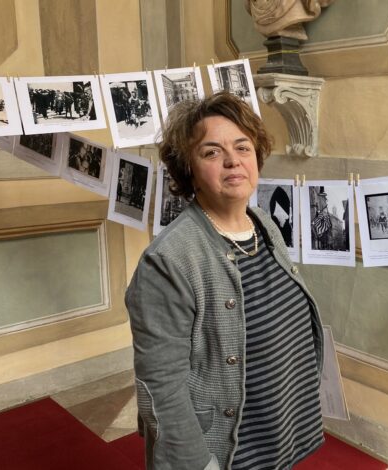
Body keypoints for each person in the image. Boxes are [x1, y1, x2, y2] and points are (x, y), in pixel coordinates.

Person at [125, 91, 324, 470]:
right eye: (212, 152)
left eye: (243, 147)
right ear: (189, 170)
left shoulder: (261, 223)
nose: (233, 160)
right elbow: (161, 390)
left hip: (275, 430)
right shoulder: (167, 263)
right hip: (227, 451)